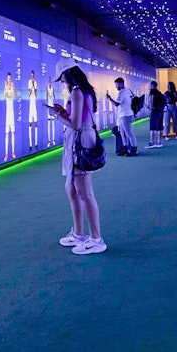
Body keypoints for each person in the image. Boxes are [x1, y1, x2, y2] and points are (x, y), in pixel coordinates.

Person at [50, 60, 106, 255]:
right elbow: (78, 117)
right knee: (72, 188)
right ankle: (79, 234)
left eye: (61, 77)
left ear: (67, 73)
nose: (61, 81)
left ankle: (96, 238)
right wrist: (63, 112)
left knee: (85, 193)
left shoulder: (76, 91)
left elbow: (74, 124)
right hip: (82, 138)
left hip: (79, 140)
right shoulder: (83, 90)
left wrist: (55, 115)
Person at [107, 77, 138, 156]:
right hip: (125, 115)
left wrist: (109, 99)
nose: (116, 86)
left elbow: (117, 104)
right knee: (123, 133)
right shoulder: (128, 91)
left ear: (121, 83)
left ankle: (134, 149)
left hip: (125, 115)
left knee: (129, 133)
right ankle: (125, 149)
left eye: (117, 84)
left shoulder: (122, 93)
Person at [146, 80, 165, 148]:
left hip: (154, 111)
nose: (149, 86)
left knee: (153, 127)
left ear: (152, 86)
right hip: (160, 111)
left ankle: (152, 142)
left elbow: (151, 99)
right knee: (160, 127)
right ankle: (159, 142)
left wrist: (150, 108)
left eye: (150, 85)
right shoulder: (160, 93)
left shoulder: (152, 92)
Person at [4, 72, 17, 160]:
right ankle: (6, 153)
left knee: (12, 133)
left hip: (12, 114)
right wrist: (5, 88)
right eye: (8, 78)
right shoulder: (5, 86)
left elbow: (14, 96)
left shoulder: (12, 87)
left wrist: (12, 89)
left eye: (10, 78)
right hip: (7, 114)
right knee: (6, 134)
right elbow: (4, 96)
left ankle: (13, 151)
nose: (9, 80)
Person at [27, 70, 39, 150]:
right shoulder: (29, 82)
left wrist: (34, 87)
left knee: (36, 124)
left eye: (33, 76)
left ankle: (36, 143)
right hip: (30, 106)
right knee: (30, 125)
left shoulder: (36, 82)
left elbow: (36, 94)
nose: (32, 77)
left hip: (34, 106)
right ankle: (30, 145)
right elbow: (29, 94)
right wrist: (31, 88)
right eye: (31, 76)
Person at [46, 75, 57, 147]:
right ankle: (49, 140)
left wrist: (52, 95)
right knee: (48, 123)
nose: (50, 81)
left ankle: (53, 140)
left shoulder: (53, 87)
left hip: (52, 106)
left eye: (50, 80)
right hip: (48, 106)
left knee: (52, 123)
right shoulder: (47, 87)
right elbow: (46, 96)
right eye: (49, 80)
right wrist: (48, 95)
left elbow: (54, 96)